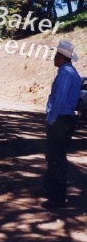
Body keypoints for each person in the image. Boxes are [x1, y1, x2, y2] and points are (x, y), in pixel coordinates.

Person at [42, 40, 81, 209]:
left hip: (61, 119)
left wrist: (51, 119)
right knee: (53, 156)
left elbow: (60, 100)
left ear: (62, 57)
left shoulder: (66, 73)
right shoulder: (69, 71)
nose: (53, 58)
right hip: (64, 119)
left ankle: (57, 198)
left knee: (56, 158)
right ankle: (51, 190)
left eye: (56, 55)